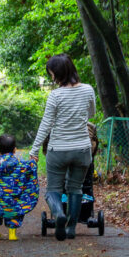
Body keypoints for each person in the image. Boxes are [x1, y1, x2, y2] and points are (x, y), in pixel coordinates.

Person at [29, 54, 97, 241]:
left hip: (58, 149)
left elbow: (46, 124)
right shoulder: (88, 89)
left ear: (58, 74)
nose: (52, 78)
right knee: (75, 188)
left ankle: (59, 213)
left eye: (52, 74)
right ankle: (71, 228)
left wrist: (34, 150)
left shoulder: (55, 95)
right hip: (82, 149)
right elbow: (91, 113)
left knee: (53, 189)